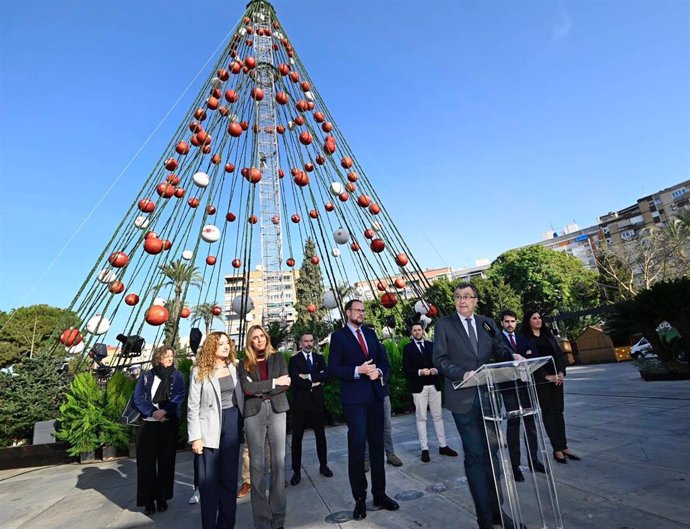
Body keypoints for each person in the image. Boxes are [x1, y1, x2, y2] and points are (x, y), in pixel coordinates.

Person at [433, 283, 523, 529]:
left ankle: (498, 512)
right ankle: (484, 519)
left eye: (467, 297)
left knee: (492, 456)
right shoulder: (443, 325)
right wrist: (462, 374)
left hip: (489, 398)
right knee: (475, 456)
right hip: (463, 400)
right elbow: (439, 360)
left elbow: (500, 349)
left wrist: (512, 356)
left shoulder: (487, 323)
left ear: (475, 300)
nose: (462, 301)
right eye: (458, 297)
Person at [328, 299, 399, 521]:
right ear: (348, 312)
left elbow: (384, 362)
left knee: (377, 448)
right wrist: (357, 370)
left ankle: (380, 495)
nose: (361, 313)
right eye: (357, 310)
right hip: (354, 401)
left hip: (375, 398)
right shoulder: (338, 337)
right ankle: (360, 499)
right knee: (358, 449)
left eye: (363, 310)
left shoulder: (370, 333)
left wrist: (378, 371)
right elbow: (333, 368)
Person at [187, 331, 244, 529]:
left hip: (232, 422)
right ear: (212, 346)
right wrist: (195, 437)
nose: (226, 346)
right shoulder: (199, 370)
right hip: (208, 427)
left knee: (229, 480)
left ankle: (226, 525)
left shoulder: (235, 366)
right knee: (208, 483)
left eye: (227, 342)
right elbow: (192, 406)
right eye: (220, 343)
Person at [239, 325, 290, 529]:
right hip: (254, 413)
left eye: (262, 336)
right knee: (256, 466)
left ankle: (278, 518)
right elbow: (247, 388)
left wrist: (264, 387)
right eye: (255, 338)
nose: (259, 340)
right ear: (250, 342)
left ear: (266, 338)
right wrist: (273, 383)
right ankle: (261, 520)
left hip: (277, 410)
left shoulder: (278, 358)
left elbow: (286, 384)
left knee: (278, 463)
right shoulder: (244, 363)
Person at [521, 310, 580, 465]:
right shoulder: (525, 339)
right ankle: (556, 449)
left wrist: (560, 372)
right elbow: (530, 361)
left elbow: (559, 355)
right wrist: (546, 376)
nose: (538, 320)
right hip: (542, 381)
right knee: (548, 413)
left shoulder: (548, 336)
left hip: (557, 379)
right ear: (528, 321)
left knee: (558, 411)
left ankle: (564, 446)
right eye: (534, 318)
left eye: (540, 318)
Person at [133, 345, 186, 516]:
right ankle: (148, 501)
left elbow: (179, 395)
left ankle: (162, 498)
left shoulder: (177, 376)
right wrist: (153, 412)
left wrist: (165, 411)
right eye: (166, 355)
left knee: (166, 463)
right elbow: (138, 398)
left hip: (167, 424)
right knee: (146, 465)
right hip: (147, 425)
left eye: (172, 355)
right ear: (158, 357)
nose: (170, 358)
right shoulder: (147, 376)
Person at [498, 310, 545, 481]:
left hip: (526, 385)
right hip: (508, 387)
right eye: (507, 321)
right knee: (514, 425)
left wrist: (527, 357)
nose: (510, 324)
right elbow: (499, 357)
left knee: (530, 424)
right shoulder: (498, 341)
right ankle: (515, 466)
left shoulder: (523, 338)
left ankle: (534, 461)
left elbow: (534, 355)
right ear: (501, 323)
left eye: (512, 321)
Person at [402, 322, 458, 462]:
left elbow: (440, 363)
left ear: (423, 331)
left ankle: (443, 445)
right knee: (421, 418)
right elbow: (406, 369)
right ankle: (424, 449)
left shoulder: (432, 346)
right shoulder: (407, 349)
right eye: (414, 330)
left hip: (434, 385)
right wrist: (420, 372)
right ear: (411, 333)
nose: (417, 332)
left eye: (419, 329)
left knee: (438, 416)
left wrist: (436, 370)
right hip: (418, 387)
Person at [288, 333, 333, 485]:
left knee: (321, 436)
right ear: (300, 343)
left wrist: (307, 377)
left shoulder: (319, 359)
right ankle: (296, 471)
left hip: (317, 403)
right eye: (305, 341)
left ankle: (323, 465)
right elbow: (294, 380)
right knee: (297, 439)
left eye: (311, 341)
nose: (308, 344)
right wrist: (314, 381)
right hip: (300, 404)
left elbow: (326, 375)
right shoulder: (294, 360)